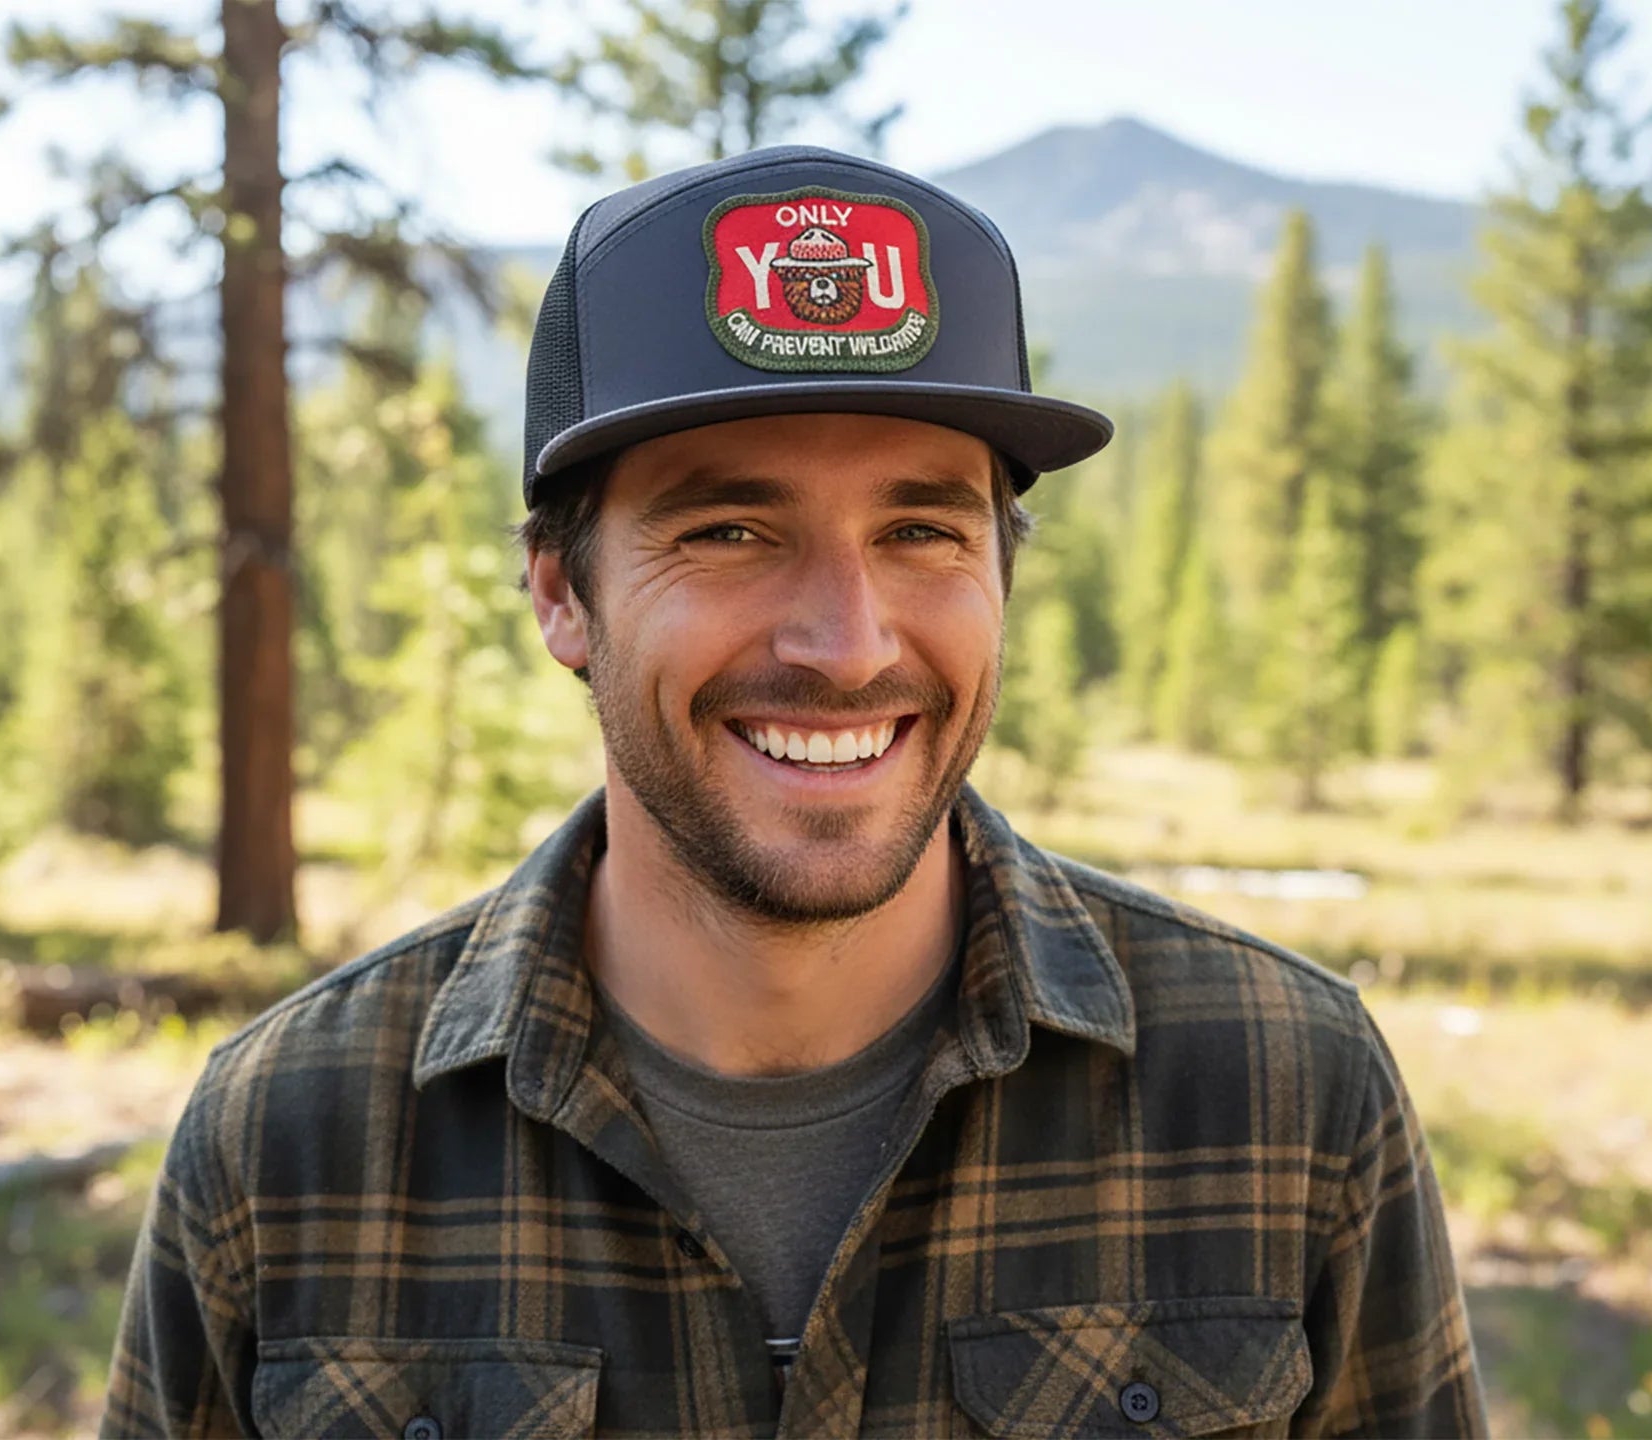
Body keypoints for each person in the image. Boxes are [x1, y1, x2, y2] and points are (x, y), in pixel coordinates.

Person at [103, 147, 1487, 1439]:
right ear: (562, 593)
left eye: (921, 529)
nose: (850, 643)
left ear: (1005, 577)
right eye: (730, 530)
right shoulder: (288, 1144)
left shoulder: (1283, 1094)